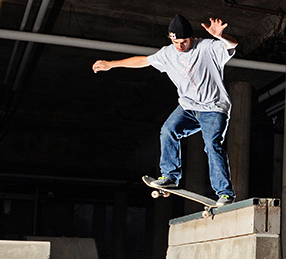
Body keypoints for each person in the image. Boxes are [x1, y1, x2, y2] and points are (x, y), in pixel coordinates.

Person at [92, 14, 238, 205]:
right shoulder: (167, 53)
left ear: (191, 38)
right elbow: (143, 60)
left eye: (184, 42)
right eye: (175, 41)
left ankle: (225, 194)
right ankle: (169, 176)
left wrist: (220, 36)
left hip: (213, 108)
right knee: (168, 131)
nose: (179, 46)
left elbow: (232, 45)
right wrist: (111, 64)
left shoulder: (207, 47)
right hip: (188, 107)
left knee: (212, 146)